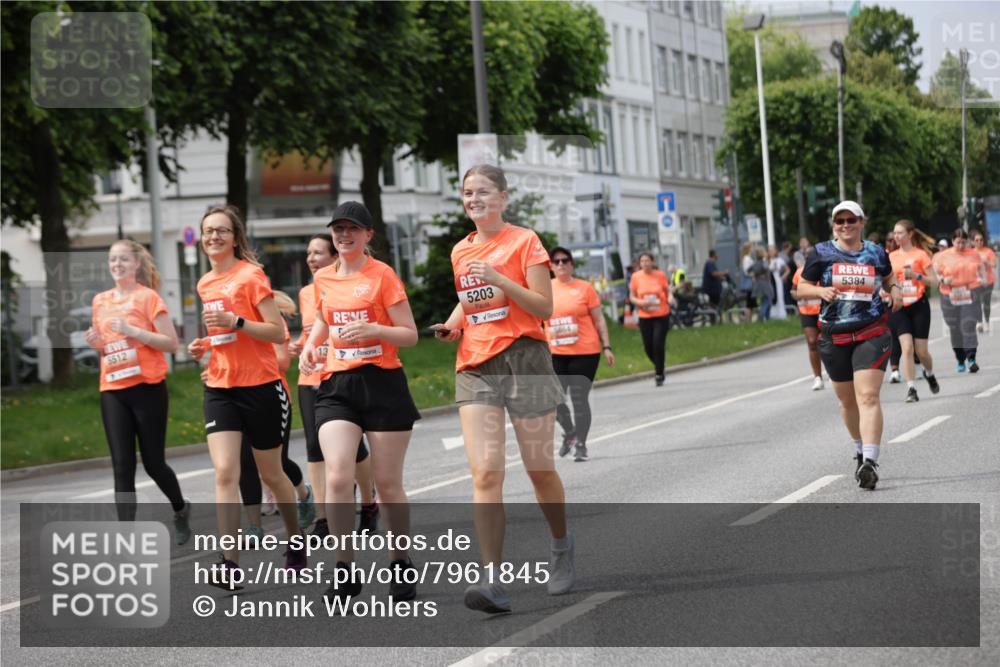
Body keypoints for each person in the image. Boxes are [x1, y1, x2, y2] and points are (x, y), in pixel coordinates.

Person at [432, 164, 573, 614]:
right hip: (476, 365)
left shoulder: (524, 240)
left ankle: (560, 545)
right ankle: (491, 581)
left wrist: (500, 279)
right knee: (486, 473)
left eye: (484, 192)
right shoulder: (460, 250)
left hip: (526, 360)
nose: (475, 200)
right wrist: (454, 324)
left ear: (504, 198)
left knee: (538, 469)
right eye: (468, 193)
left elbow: (543, 305)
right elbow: (470, 299)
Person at [299, 201, 421, 606]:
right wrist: (311, 346)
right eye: (338, 229)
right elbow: (323, 318)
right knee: (336, 476)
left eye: (353, 229)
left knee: (387, 484)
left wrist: (374, 328)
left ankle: (401, 563)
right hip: (337, 385)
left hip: (382, 383)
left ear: (369, 235)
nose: (344, 235)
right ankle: (344, 569)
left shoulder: (382, 275)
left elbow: (409, 334)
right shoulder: (324, 278)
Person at [188, 205, 305, 588]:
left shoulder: (251, 276)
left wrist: (237, 322)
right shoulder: (205, 283)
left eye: (221, 231)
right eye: (208, 231)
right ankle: (228, 563)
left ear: (235, 238)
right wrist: (205, 343)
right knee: (225, 472)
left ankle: (295, 539)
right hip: (220, 386)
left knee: (272, 472)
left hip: (260, 385)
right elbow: (225, 336)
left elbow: (275, 331)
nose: (213, 237)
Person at [85, 240, 191, 543]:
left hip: (147, 387)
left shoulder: (148, 298)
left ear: (136, 265)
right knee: (122, 464)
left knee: (153, 463)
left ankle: (181, 508)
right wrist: (97, 345)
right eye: (112, 260)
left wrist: (134, 331)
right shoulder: (100, 301)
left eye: (123, 260)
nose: (117, 265)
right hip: (113, 388)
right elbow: (107, 350)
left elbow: (171, 344)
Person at [797, 201, 901, 491]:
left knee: (868, 396)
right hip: (834, 336)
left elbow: (890, 278)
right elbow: (801, 287)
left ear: (861, 222)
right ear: (833, 225)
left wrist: (896, 292)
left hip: (872, 331)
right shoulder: (821, 253)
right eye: (839, 221)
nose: (845, 225)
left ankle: (870, 461)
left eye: (851, 220)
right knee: (847, 401)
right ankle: (859, 449)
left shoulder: (875, 252)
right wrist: (820, 290)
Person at [288, 234, 378, 539]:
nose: (311, 258)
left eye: (318, 252)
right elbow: (311, 331)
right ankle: (324, 518)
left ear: (333, 255)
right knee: (314, 447)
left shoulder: (349, 285)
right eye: (308, 253)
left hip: (340, 375)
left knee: (354, 449)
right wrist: (298, 347)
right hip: (310, 376)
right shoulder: (304, 293)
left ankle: (368, 502)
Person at [231, 291, 315, 539]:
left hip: (271, 396)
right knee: (245, 461)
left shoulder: (270, 321)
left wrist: (250, 359)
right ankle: (254, 525)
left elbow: (282, 361)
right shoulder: (231, 322)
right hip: (236, 394)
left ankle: (303, 495)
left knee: (278, 463)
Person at [546, 246, 616, 463]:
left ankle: (582, 445)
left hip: (585, 351)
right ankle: (570, 432)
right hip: (555, 353)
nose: (561, 264)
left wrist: (607, 346)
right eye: (556, 261)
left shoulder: (584, 288)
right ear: (550, 265)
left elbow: (599, 319)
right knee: (552, 399)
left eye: (565, 260)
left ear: (571, 264)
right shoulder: (544, 289)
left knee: (579, 399)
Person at [888, 220, 940, 402]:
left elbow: (935, 282)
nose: (896, 236)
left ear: (910, 234)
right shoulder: (891, 257)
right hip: (899, 306)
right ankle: (911, 389)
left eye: (900, 233)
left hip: (919, 305)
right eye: (895, 233)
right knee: (907, 348)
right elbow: (885, 281)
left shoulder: (921, 255)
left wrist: (917, 276)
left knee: (922, 352)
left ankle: (929, 373)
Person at [933, 228, 986, 373]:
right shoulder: (943, 256)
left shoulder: (973, 254)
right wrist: (943, 279)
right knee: (954, 327)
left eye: (963, 242)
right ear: (952, 242)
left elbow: (981, 270)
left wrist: (982, 280)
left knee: (968, 325)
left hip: (970, 292)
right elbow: (935, 273)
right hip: (949, 294)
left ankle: (971, 358)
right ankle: (960, 358)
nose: (961, 245)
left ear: (967, 242)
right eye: (958, 242)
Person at [629, 252, 675, 386]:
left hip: (661, 314)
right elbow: (632, 296)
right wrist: (640, 302)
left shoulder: (660, 275)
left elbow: (667, 291)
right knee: (648, 346)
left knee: (658, 343)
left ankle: (659, 374)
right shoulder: (636, 277)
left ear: (652, 262)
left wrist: (670, 297)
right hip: (645, 315)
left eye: (647, 261)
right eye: (642, 261)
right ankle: (659, 364)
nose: (645, 264)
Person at [790, 265, 824, 390]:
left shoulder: (824, 269)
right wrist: (798, 295)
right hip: (806, 312)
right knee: (812, 342)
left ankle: (836, 373)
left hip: (824, 310)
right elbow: (793, 290)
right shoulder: (800, 271)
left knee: (828, 343)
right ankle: (818, 377)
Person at [972, 230, 996, 333]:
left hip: (988, 281)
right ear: (973, 241)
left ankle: (986, 322)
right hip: (976, 281)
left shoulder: (988, 251)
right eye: (977, 240)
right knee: (976, 302)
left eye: (981, 240)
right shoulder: (971, 252)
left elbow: (994, 264)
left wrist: (986, 262)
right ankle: (979, 323)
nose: (979, 242)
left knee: (986, 303)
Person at [750, 248, 774, 321]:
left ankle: (766, 319)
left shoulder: (755, 263)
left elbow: (749, 270)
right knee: (767, 302)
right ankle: (761, 318)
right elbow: (767, 268)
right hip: (765, 284)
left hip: (759, 285)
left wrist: (755, 276)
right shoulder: (763, 262)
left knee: (765, 301)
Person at [768, 244, 789, 319]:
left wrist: (782, 277)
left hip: (777, 280)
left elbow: (788, 270)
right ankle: (772, 314)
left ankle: (780, 314)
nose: (770, 252)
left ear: (775, 251)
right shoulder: (767, 260)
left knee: (779, 296)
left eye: (772, 250)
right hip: (769, 280)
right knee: (771, 296)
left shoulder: (779, 260)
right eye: (769, 250)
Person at [740, 242, 756, 321]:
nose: (752, 249)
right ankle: (747, 320)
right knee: (749, 303)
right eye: (751, 247)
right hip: (749, 284)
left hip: (751, 284)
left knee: (751, 303)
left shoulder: (748, 258)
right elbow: (746, 271)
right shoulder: (746, 258)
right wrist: (753, 275)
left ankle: (749, 319)